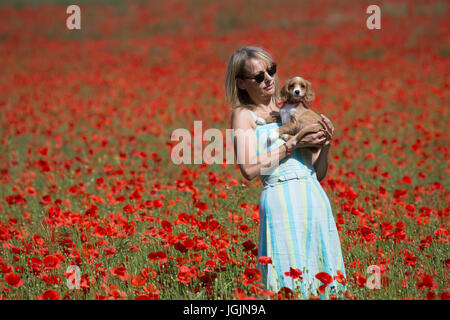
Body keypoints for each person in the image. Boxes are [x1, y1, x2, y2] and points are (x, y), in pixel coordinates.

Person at [226, 46, 346, 299]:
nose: (269, 78)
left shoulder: (292, 109)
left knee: (320, 275)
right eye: (258, 76)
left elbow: (318, 172)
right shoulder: (243, 115)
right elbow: (248, 169)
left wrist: (326, 144)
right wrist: (291, 145)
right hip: (279, 199)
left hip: (313, 195)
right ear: (242, 83)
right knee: (285, 279)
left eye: (271, 70)